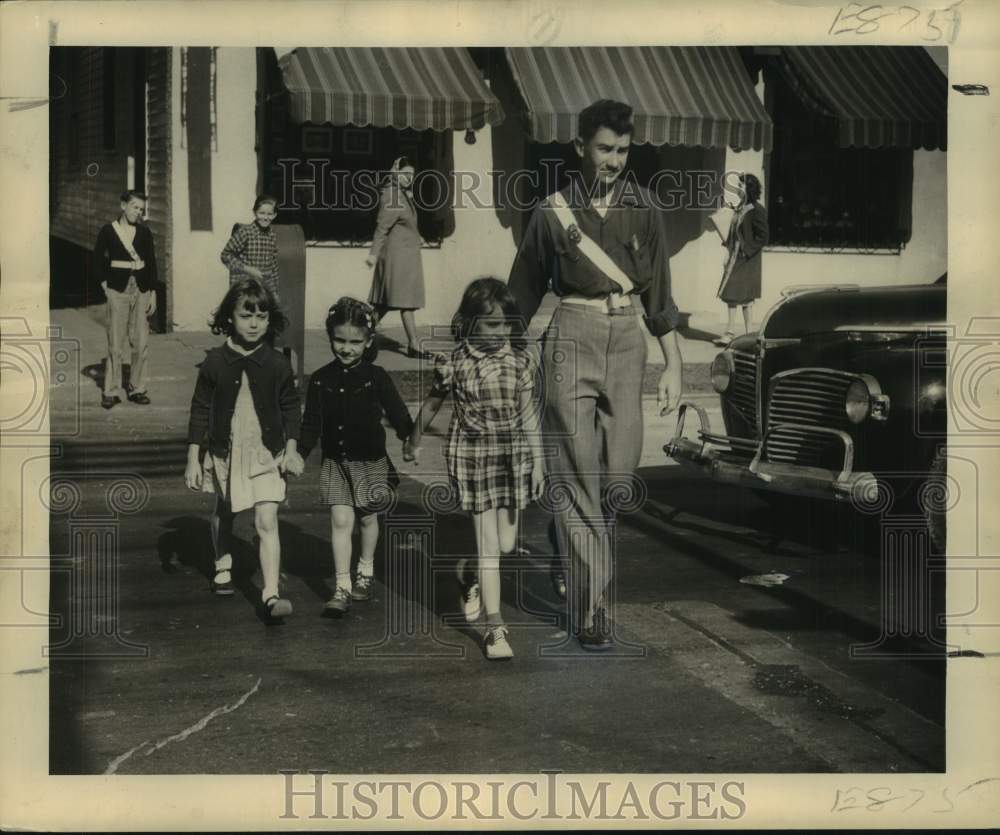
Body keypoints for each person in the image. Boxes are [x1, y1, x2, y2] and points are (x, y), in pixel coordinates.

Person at [507, 99, 683, 651]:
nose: (613, 161)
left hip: (629, 339)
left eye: (623, 151)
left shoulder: (645, 208)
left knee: (618, 479)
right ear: (580, 146)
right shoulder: (550, 212)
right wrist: (498, 356)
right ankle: (590, 608)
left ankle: (570, 548)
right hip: (571, 336)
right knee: (578, 472)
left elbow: (659, 295)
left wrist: (674, 364)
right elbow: (520, 296)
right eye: (604, 148)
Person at [406, 278, 544, 660]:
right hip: (473, 458)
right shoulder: (455, 364)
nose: (501, 333)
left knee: (504, 545)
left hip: (513, 457)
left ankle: (468, 575)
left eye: (506, 325)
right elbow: (433, 404)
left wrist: (539, 465)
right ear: (469, 323)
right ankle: (494, 629)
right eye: (491, 325)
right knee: (490, 549)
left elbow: (529, 415)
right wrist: (413, 438)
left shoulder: (521, 362)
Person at [184, 278, 304, 622]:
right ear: (229, 318)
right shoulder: (215, 362)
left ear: (270, 321)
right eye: (245, 315)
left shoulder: (278, 364)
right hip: (226, 450)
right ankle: (222, 561)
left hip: (268, 452)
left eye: (262, 317)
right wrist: (193, 457)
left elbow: (291, 408)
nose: (254, 324)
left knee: (267, 519)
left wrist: (292, 449)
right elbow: (200, 409)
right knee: (225, 510)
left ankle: (270, 594)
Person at [298, 297, 415, 617]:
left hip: (369, 461)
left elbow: (398, 413)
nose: (346, 348)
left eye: (354, 342)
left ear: (368, 341)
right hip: (335, 462)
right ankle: (342, 586)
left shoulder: (376, 377)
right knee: (340, 519)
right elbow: (311, 423)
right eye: (339, 340)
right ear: (329, 336)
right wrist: (299, 453)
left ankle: (365, 567)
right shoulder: (321, 379)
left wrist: (410, 440)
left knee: (366, 518)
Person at [93, 190, 161, 409]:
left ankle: (137, 388)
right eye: (134, 207)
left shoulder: (145, 232)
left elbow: (151, 263)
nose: (138, 212)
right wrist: (104, 284)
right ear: (123, 205)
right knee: (116, 343)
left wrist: (153, 292)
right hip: (117, 290)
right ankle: (111, 391)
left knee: (141, 343)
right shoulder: (108, 231)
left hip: (141, 289)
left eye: (141, 209)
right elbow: (97, 258)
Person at [366, 157, 432, 360]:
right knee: (403, 301)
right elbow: (382, 227)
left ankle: (362, 328)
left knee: (391, 301)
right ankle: (413, 344)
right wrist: (373, 253)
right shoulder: (392, 195)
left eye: (411, 175)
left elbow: (405, 222)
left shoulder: (402, 194)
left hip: (406, 256)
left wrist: (417, 235)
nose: (408, 179)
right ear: (395, 172)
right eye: (405, 174)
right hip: (397, 257)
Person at [714, 173, 769, 346]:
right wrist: (727, 252)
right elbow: (732, 233)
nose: (738, 188)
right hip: (735, 256)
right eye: (739, 185)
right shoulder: (739, 208)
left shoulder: (756, 210)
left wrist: (747, 251)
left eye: (742, 185)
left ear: (750, 189)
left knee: (746, 297)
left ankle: (748, 335)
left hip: (747, 258)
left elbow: (764, 237)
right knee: (731, 294)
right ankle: (730, 332)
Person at [221, 195, 281, 301]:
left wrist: (274, 292)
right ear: (255, 212)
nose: (265, 217)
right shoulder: (245, 232)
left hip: (262, 290)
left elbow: (274, 266)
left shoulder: (272, 235)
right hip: (244, 288)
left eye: (269, 214)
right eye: (262, 213)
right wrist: (248, 269)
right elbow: (225, 255)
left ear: (275, 215)